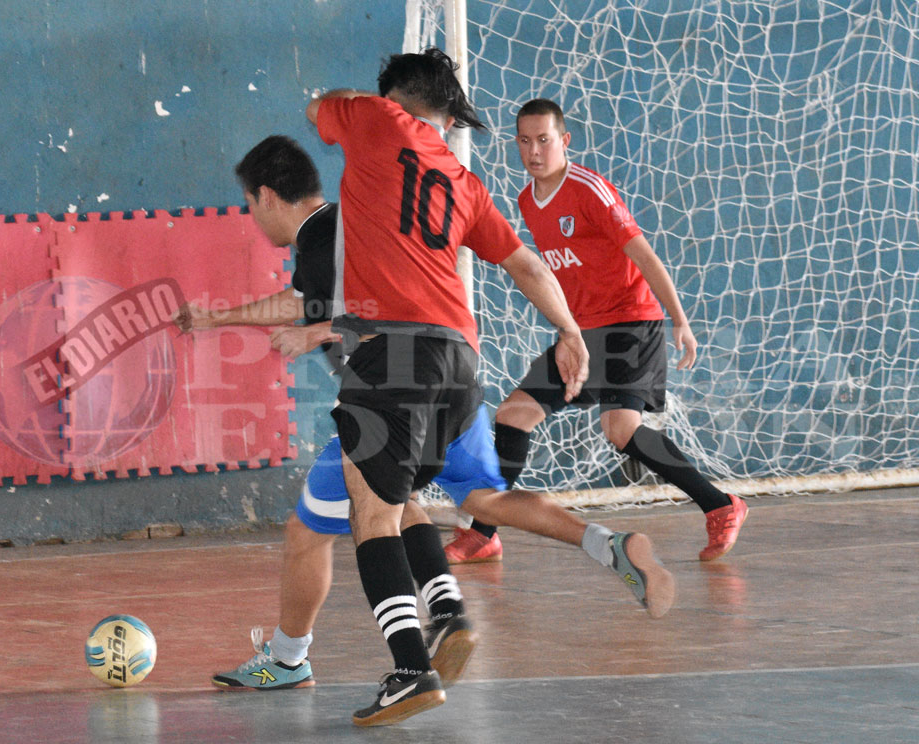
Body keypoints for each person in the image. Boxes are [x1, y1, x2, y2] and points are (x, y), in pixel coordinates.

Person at [305, 51, 673, 727]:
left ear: (394, 99)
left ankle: (410, 670)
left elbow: (315, 109)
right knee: (434, 496)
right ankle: (462, 602)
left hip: (391, 352)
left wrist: (363, 102)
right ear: (442, 117)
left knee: (371, 513)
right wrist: (568, 332)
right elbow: (527, 266)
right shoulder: (464, 182)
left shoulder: (371, 118)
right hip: (459, 363)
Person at [176, 135, 480, 694]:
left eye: (248, 204)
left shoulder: (319, 241)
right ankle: (448, 608)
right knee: (397, 501)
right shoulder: (347, 227)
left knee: (314, 531)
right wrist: (218, 319)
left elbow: (353, 313)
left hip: (387, 390)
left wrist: (316, 333)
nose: (251, 216)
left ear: (267, 195)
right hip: (454, 374)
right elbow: (305, 301)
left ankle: (353, 662)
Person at [445, 98, 749, 567]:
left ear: (564, 141)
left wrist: (680, 320)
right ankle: (485, 534)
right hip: (582, 335)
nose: (534, 151)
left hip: (631, 322)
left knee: (621, 429)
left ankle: (721, 505)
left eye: (544, 140)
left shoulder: (589, 189)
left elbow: (645, 255)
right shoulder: (527, 200)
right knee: (513, 415)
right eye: (524, 141)